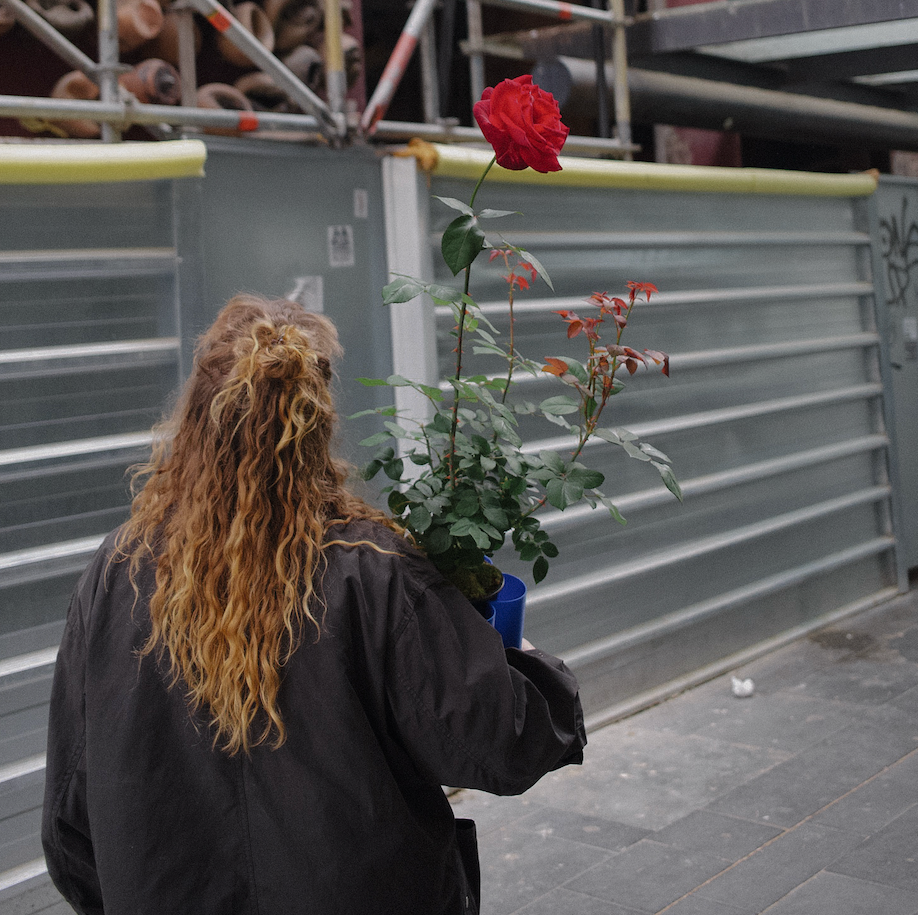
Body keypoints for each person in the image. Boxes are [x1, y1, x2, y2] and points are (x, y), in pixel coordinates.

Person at [42, 294, 587, 915]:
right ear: (317, 418)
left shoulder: (118, 573)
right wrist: (524, 660)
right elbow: (500, 742)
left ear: (195, 413)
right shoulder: (375, 569)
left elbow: (69, 811)